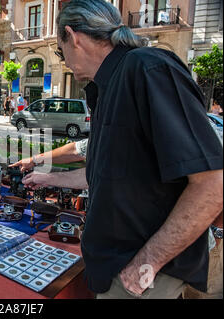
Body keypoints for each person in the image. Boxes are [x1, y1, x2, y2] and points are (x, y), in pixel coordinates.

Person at [21, 0, 223, 299]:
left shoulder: (147, 68)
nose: (64, 61)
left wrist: (148, 261)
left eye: (60, 52)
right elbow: (111, 175)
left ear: (72, 36)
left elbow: (212, 184)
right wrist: (49, 177)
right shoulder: (109, 85)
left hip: (143, 271)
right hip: (120, 265)